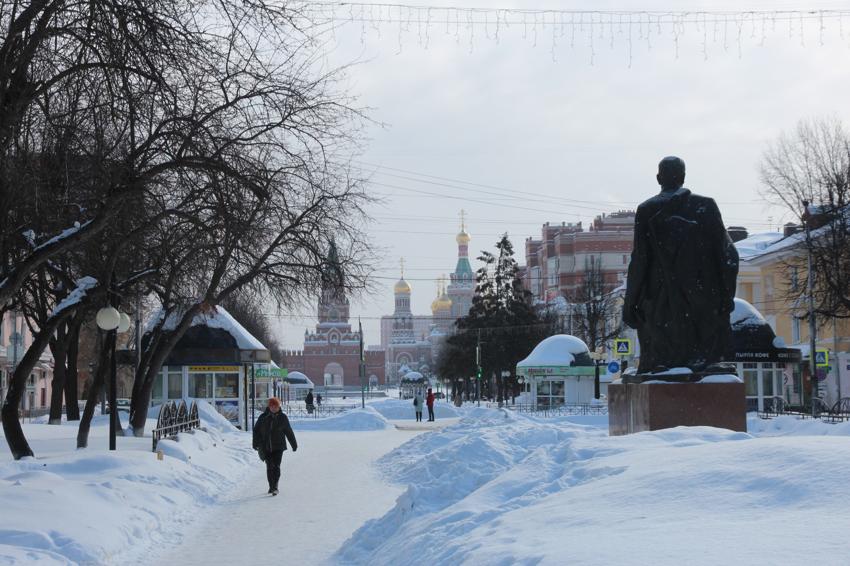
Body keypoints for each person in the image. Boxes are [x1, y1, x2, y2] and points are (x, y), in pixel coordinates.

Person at [623, 156, 739, 375]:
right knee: (706, 361)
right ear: (684, 177)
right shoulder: (706, 206)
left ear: (658, 178)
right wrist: (725, 295)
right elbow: (728, 255)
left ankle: (664, 376)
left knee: (661, 365)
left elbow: (640, 260)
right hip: (703, 299)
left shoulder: (648, 209)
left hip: (660, 304)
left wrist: (630, 302)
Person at [252, 397, 297, 496]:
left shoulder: (283, 417)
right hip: (266, 446)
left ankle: (275, 486)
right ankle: (271, 486)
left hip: (279, 446)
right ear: (269, 406)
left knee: (276, 466)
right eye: (272, 406)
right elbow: (256, 431)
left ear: (278, 406)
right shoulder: (263, 417)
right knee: (269, 467)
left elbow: (288, 431)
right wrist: (255, 443)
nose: (274, 408)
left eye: (276, 406)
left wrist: (294, 444)